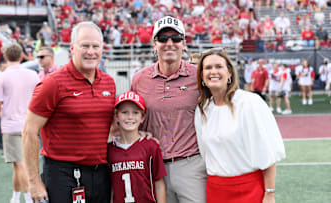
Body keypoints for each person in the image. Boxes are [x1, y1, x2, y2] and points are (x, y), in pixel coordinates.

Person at [22, 21, 115, 203]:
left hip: (100, 174)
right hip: (63, 174)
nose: (90, 51)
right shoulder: (53, 83)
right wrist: (33, 182)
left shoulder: (109, 83)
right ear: (72, 48)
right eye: (84, 46)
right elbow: (29, 131)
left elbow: (110, 127)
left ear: (102, 49)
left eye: (95, 46)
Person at [194, 48, 286, 203]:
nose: (213, 71)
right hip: (215, 191)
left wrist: (269, 194)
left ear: (229, 73)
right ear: (202, 76)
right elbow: (205, 153)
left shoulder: (250, 103)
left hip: (248, 190)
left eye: (219, 66)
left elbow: (268, 152)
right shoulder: (203, 109)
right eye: (208, 68)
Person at [131, 16, 207, 203]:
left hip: (191, 165)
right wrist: (138, 134)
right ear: (154, 44)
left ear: (184, 43)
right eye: (163, 39)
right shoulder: (140, 79)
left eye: (176, 38)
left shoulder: (199, 75)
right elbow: (132, 118)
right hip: (152, 166)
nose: (169, 44)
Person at [0, 43, 39, 203]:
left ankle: (29, 199)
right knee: (18, 165)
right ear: (21, 56)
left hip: (11, 127)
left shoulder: (1, 77)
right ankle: (15, 197)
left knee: (20, 164)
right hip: (30, 125)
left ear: (5, 57)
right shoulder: (33, 74)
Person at [108, 91, 167, 203]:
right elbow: (111, 187)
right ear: (116, 116)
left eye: (135, 113)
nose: (130, 117)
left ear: (142, 117)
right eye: (124, 112)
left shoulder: (151, 146)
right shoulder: (110, 150)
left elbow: (159, 183)